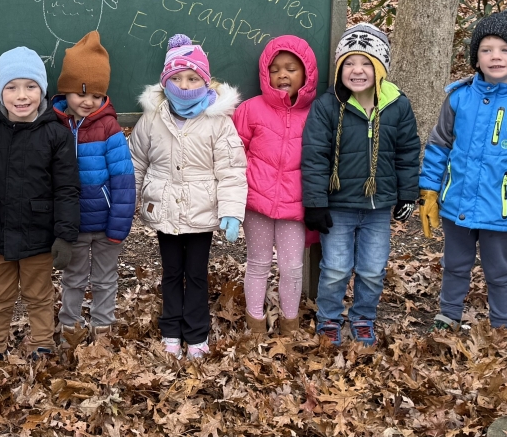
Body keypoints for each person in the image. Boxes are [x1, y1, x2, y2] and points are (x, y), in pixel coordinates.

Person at [129, 34, 247, 360]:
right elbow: (136, 162)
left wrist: (231, 210)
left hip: (201, 212)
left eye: (192, 78)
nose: (184, 85)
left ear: (205, 81)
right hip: (164, 209)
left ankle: (196, 334)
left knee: (195, 274)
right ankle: (171, 331)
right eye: (177, 78)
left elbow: (232, 169)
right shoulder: (152, 118)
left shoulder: (218, 122)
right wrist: (128, 202)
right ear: (165, 81)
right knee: (171, 272)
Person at [0, 46, 80, 364]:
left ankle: (42, 343)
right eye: (11, 87)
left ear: (42, 90)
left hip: (39, 234)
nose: (22, 95)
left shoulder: (56, 135)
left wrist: (65, 235)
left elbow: (67, 189)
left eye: (30, 86)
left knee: (39, 295)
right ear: (0, 91)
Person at [302, 24, 419, 346]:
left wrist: (408, 194)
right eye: (349, 63)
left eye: (366, 63)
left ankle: (363, 317)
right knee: (336, 268)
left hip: (378, 207)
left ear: (380, 67)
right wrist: (315, 202)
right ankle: (328, 319)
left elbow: (408, 152)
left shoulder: (397, 104)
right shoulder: (328, 106)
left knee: (372, 269)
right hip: (338, 205)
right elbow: (314, 156)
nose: (357, 70)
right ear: (340, 68)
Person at [420, 9, 507, 331]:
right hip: (457, 203)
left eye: (504, 49)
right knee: (455, 264)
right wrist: (429, 190)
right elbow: (439, 145)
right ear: (476, 57)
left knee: (499, 270)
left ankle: (502, 325)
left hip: (503, 209)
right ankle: (448, 315)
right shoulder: (459, 98)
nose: (495, 56)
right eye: (486, 49)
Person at [51, 32, 136, 343]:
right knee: (72, 278)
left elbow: (124, 180)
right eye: (81, 93)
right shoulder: (53, 126)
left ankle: (102, 328)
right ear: (66, 89)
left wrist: (119, 225)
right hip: (71, 225)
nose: (88, 101)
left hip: (104, 224)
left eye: (97, 95)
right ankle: (69, 329)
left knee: (104, 278)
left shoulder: (109, 128)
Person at [232, 36, 318, 336]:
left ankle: (290, 326)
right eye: (275, 69)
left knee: (292, 267)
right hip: (257, 203)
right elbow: (235, 153)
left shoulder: (315, 113)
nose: (282, 75)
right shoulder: (250, 109)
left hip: (295, 206)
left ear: (306, 73)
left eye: (291, 69)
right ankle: (255, 324)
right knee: (258, 263)